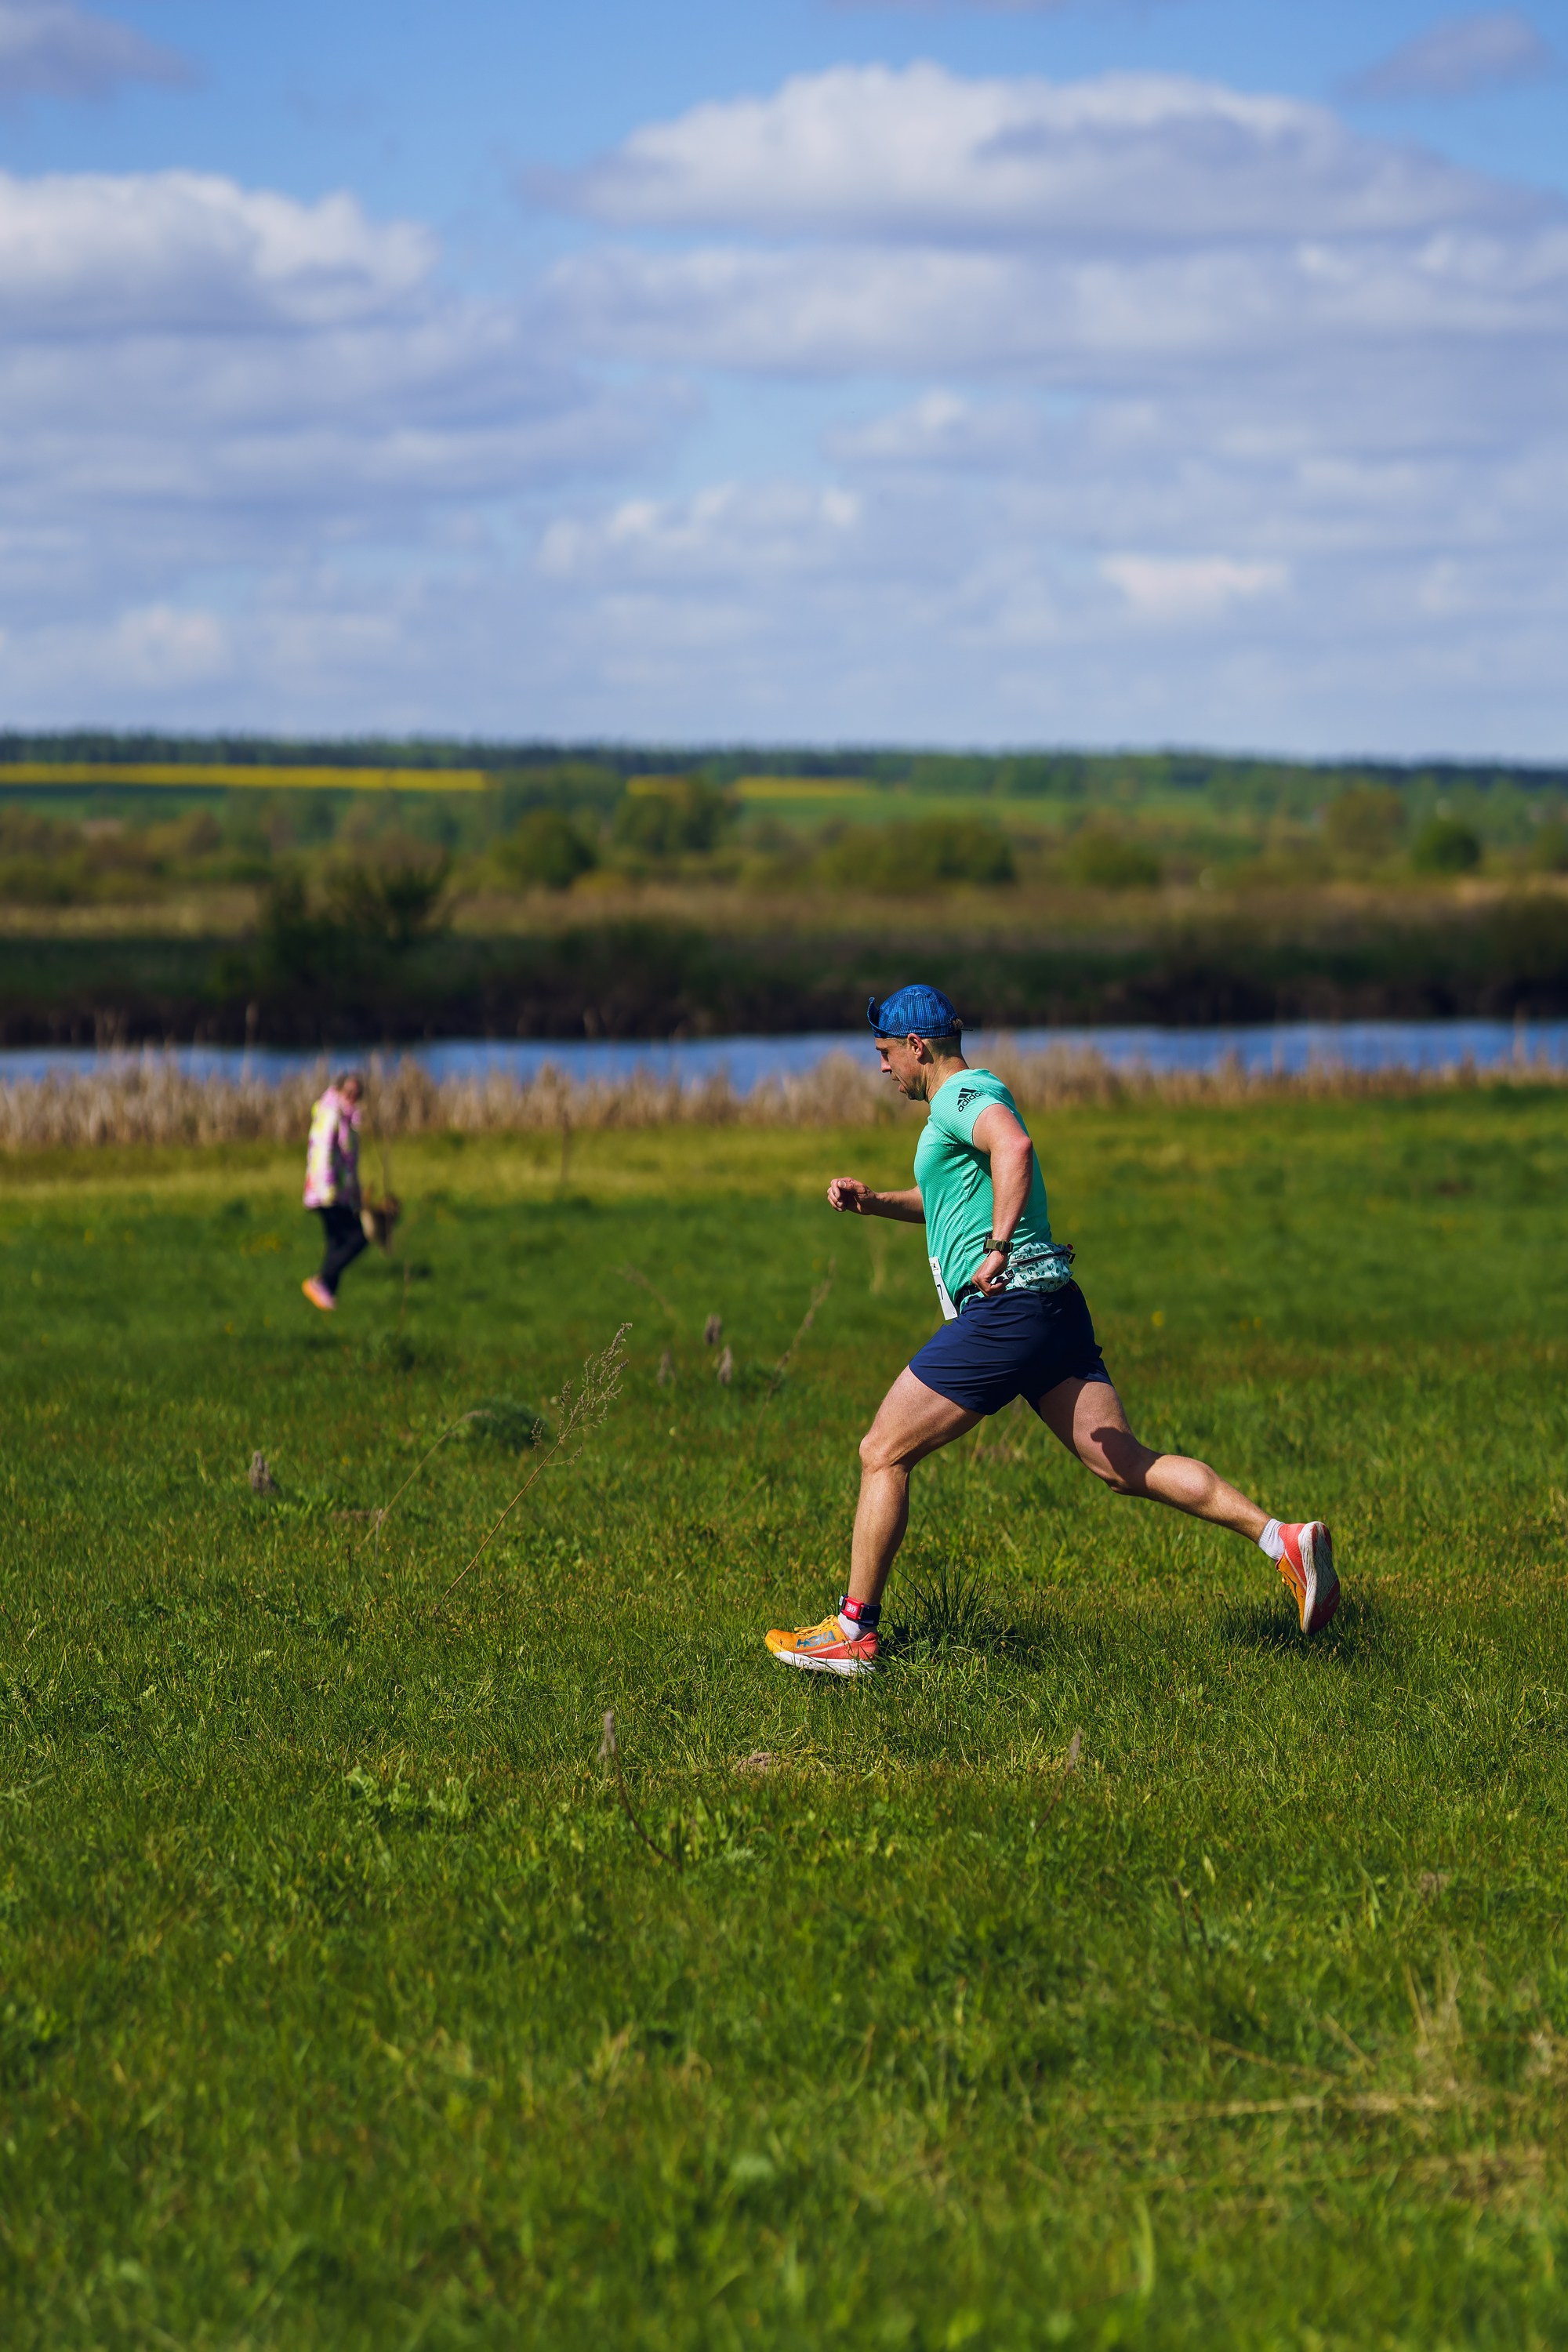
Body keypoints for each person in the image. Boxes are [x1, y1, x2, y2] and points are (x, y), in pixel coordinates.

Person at [765, 984, 1339, 1677]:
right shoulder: (977, 1094)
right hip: (1052, 1305)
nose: (883, 1068)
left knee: (882, 1451)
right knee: (1124, 1463)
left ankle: (853, 1633)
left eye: (886, 1053)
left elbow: (1015, 1149)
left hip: (1008, 1310)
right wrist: (874, 1202)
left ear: (916, 1046)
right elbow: (950, 1198)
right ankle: (1284, 1540)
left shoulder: (957, 1097)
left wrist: (998, 1246)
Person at [301, 1070, 368, 1312]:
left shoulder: (347, 1119)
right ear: (338, 1090)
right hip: (327, 1191)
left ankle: (327, 1295)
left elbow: (349, 1162)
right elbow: (322, 1152)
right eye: (348, 1092)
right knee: (357, 1238)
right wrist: (327, 1189)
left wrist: (356, 1191)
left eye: (356, 1094)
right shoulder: (330, 1114)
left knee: (336, 1240)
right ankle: (320, 1282)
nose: (352, 1097)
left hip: (339, 1192)